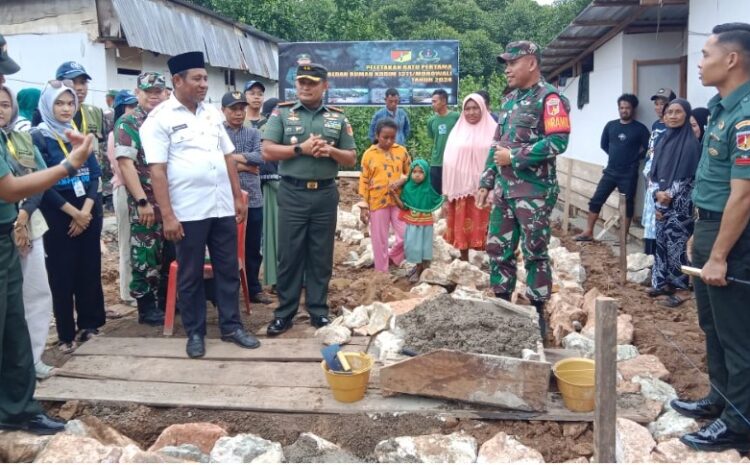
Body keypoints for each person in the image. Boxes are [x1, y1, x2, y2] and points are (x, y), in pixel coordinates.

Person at [141, 52, 259, 357]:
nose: (204, 84)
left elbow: (227, 157)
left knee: (228, 268)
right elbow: (157, 170)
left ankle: (232, 326)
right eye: (197, 78)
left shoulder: (210, 114)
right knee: (190, 273)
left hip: (221, 208)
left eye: (206, 78)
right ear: (177, 80)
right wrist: (167, 215)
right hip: (189, 211)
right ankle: (195, 332)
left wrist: (236, 196)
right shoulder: (160, 119)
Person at [670, 22, 750, 453]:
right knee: (712, 325)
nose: (699, 63)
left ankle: (739, 423)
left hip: (733, 236)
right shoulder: (720, 107)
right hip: (710, 228)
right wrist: (700, 239)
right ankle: (721, 399)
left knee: (737, 332)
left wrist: (718, 253)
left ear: (732, 59)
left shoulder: (747, 113)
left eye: (705, 54)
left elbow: (745, 194)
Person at [0, 103, 94, 437]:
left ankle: (18, 410)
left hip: (8, 232)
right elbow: (8, 187)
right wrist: (69, 165)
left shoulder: (12, 136)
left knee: (14, 329)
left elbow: (27, 181)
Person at [476, 41, 571, 342]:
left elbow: (558, 142)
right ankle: (502, 308)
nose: (507, 69)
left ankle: (537, 313)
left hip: (534, 193)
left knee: (535, 253)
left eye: (512, 63)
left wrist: (515, 158)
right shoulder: (509, 101)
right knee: (497, 249)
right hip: (504, 193)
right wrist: (486, 180)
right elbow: (496, 145)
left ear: (531, 63)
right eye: (505, 63)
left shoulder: (550, 99)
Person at [262, 63, 356, 336]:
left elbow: (351, 157)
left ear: (324, 86)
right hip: (292, 193)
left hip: (325, 194)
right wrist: (299, 149)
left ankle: (318, 311)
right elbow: (267, 151)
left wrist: (330, 151)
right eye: (301, 82)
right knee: (289, 255)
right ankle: (285, 313)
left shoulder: (338, 118)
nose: (305, 87)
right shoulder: (282, 113)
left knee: (320, 254)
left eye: (312, 83)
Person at [31, 80, 106, 354]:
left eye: (70, 103)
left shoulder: (77, 134)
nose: (66, 108)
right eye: (59, 103)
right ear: (48, 106)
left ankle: (90, 324)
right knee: (61, 274)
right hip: (58, 214)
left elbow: (95, 173)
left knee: (88, 269)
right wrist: (73, 212)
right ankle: (65, 333)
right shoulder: (37, 137)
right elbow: (41, 182)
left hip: (88, 211)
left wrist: (85, 210)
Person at [0, 84, 56, 380]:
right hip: (3, 227)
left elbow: (40, 180)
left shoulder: (24, 139)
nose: (1, 109)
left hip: (29, 225)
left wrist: (23, 216)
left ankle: (32, 358)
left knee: (35, 292)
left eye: (6, 105)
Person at [115, 75, 171, 324]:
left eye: (158, 91)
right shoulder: (129, 122)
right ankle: (146, 308)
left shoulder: (169, 119)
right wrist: (141, 201)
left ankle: (168, 302)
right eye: (148, 91)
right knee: (145, 253)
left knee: (169, 254)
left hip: (170, 202)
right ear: (138, 93)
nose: (154, 96)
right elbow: (126, 165)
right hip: (146, 202)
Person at [575, 94, 650, 242]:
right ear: (618, 109)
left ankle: (623, 237)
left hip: (629, 173)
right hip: (610, 171)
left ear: (633, 109)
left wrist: (633, 158)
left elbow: (649, 149)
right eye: (621, 108)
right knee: (596, 200)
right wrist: (616, 156)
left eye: (627, 108)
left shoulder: (640, 129)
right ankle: (588, 232)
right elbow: (604, 144)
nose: (624, 110)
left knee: (627, 205)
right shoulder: (611, 126)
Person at [648, 99, 701, 307]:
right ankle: (662, 283)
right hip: (661, 201)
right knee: (660, 242)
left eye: (678, 112)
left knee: (676, 244)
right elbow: (653, 173)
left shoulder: (690, 144)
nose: (672, 116)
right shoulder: (662, 140)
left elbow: (685, 178)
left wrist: (665, 196)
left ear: (686, 116)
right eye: (669, 112)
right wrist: (657, 197)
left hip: (680, 206)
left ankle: (681, 289)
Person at [222, 90, 272, 304]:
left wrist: (230, 159)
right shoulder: (217, 133)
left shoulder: (252, 133)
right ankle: (228, 290)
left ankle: (254, 288)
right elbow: (214, 160)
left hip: (253, 198)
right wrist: (244, 165)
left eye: (241, 109)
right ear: (223, 110)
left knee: (252, 246)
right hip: (225, 198)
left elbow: (260, 157)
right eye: (233, 109)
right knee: (226, 246)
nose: (238, 113)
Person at [442, 93, 495, 261]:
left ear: (483, 109)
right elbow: (449, 160)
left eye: (476, 108)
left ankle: (494, 259)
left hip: (487, 188)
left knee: (491, 224)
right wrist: (448, 190)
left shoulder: (495, 130)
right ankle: (463, 256)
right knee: (463, 221)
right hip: (461, 188)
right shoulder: (456, 132)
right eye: (467, 109)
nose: (471, 112)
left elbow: (497, 157)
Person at [55, 61, 113, 211]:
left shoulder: (95, 112)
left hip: (92, 185)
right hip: (62, 187)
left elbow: (102, 150)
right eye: (73, 82)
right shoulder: (49, 116)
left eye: (83, 82)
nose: (79, 87)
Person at [358, 118, 409, 273]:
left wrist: (401, 181)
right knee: (379, 240)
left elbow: (410, 173)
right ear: (377, 135)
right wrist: (363, 205)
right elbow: (364, 180)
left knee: (407, 234)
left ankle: (393, 257)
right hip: (376, 201)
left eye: (392, 137)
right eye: (385, 137)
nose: (389, 141)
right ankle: (381, 273)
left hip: (397, 200)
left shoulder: (401, 151)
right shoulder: (369, 154)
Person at [391, 159, 444, 281]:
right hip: (412, 224)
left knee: (424, 247)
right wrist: (394, 196)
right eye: (414, 171)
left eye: (421, 172)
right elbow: (403, 206)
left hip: (426, 225)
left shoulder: (428, 189)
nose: (417, 174)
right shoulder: (408, 188)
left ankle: (422, 270)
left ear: (426, 174)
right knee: (413, 246)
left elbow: (437, 199)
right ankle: (418, 268)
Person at [642, 87, 676, 255]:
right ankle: (648, 256)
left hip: (663, 179)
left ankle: (658, 257)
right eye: (656, 104)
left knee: (659, 217)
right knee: (650, 216)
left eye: (663, 103)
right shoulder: (656, 125)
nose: (658, 107)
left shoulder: (674, 129)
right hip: (650, 176)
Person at [259, 97, 281, 289]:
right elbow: (265, 161)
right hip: (273, 188)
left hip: (292, 188)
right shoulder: (266, 131)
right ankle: (276, 279)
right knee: (274, 235)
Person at [427, 89, 460, 194]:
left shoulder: (456, 117)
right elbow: (433, 138)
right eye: (432, 101)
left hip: (453, 163)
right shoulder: (431, 121)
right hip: (436, 163)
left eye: (434, 101)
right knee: (436, 194)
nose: (432, 104)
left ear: (444, 101)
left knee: (452, 194)